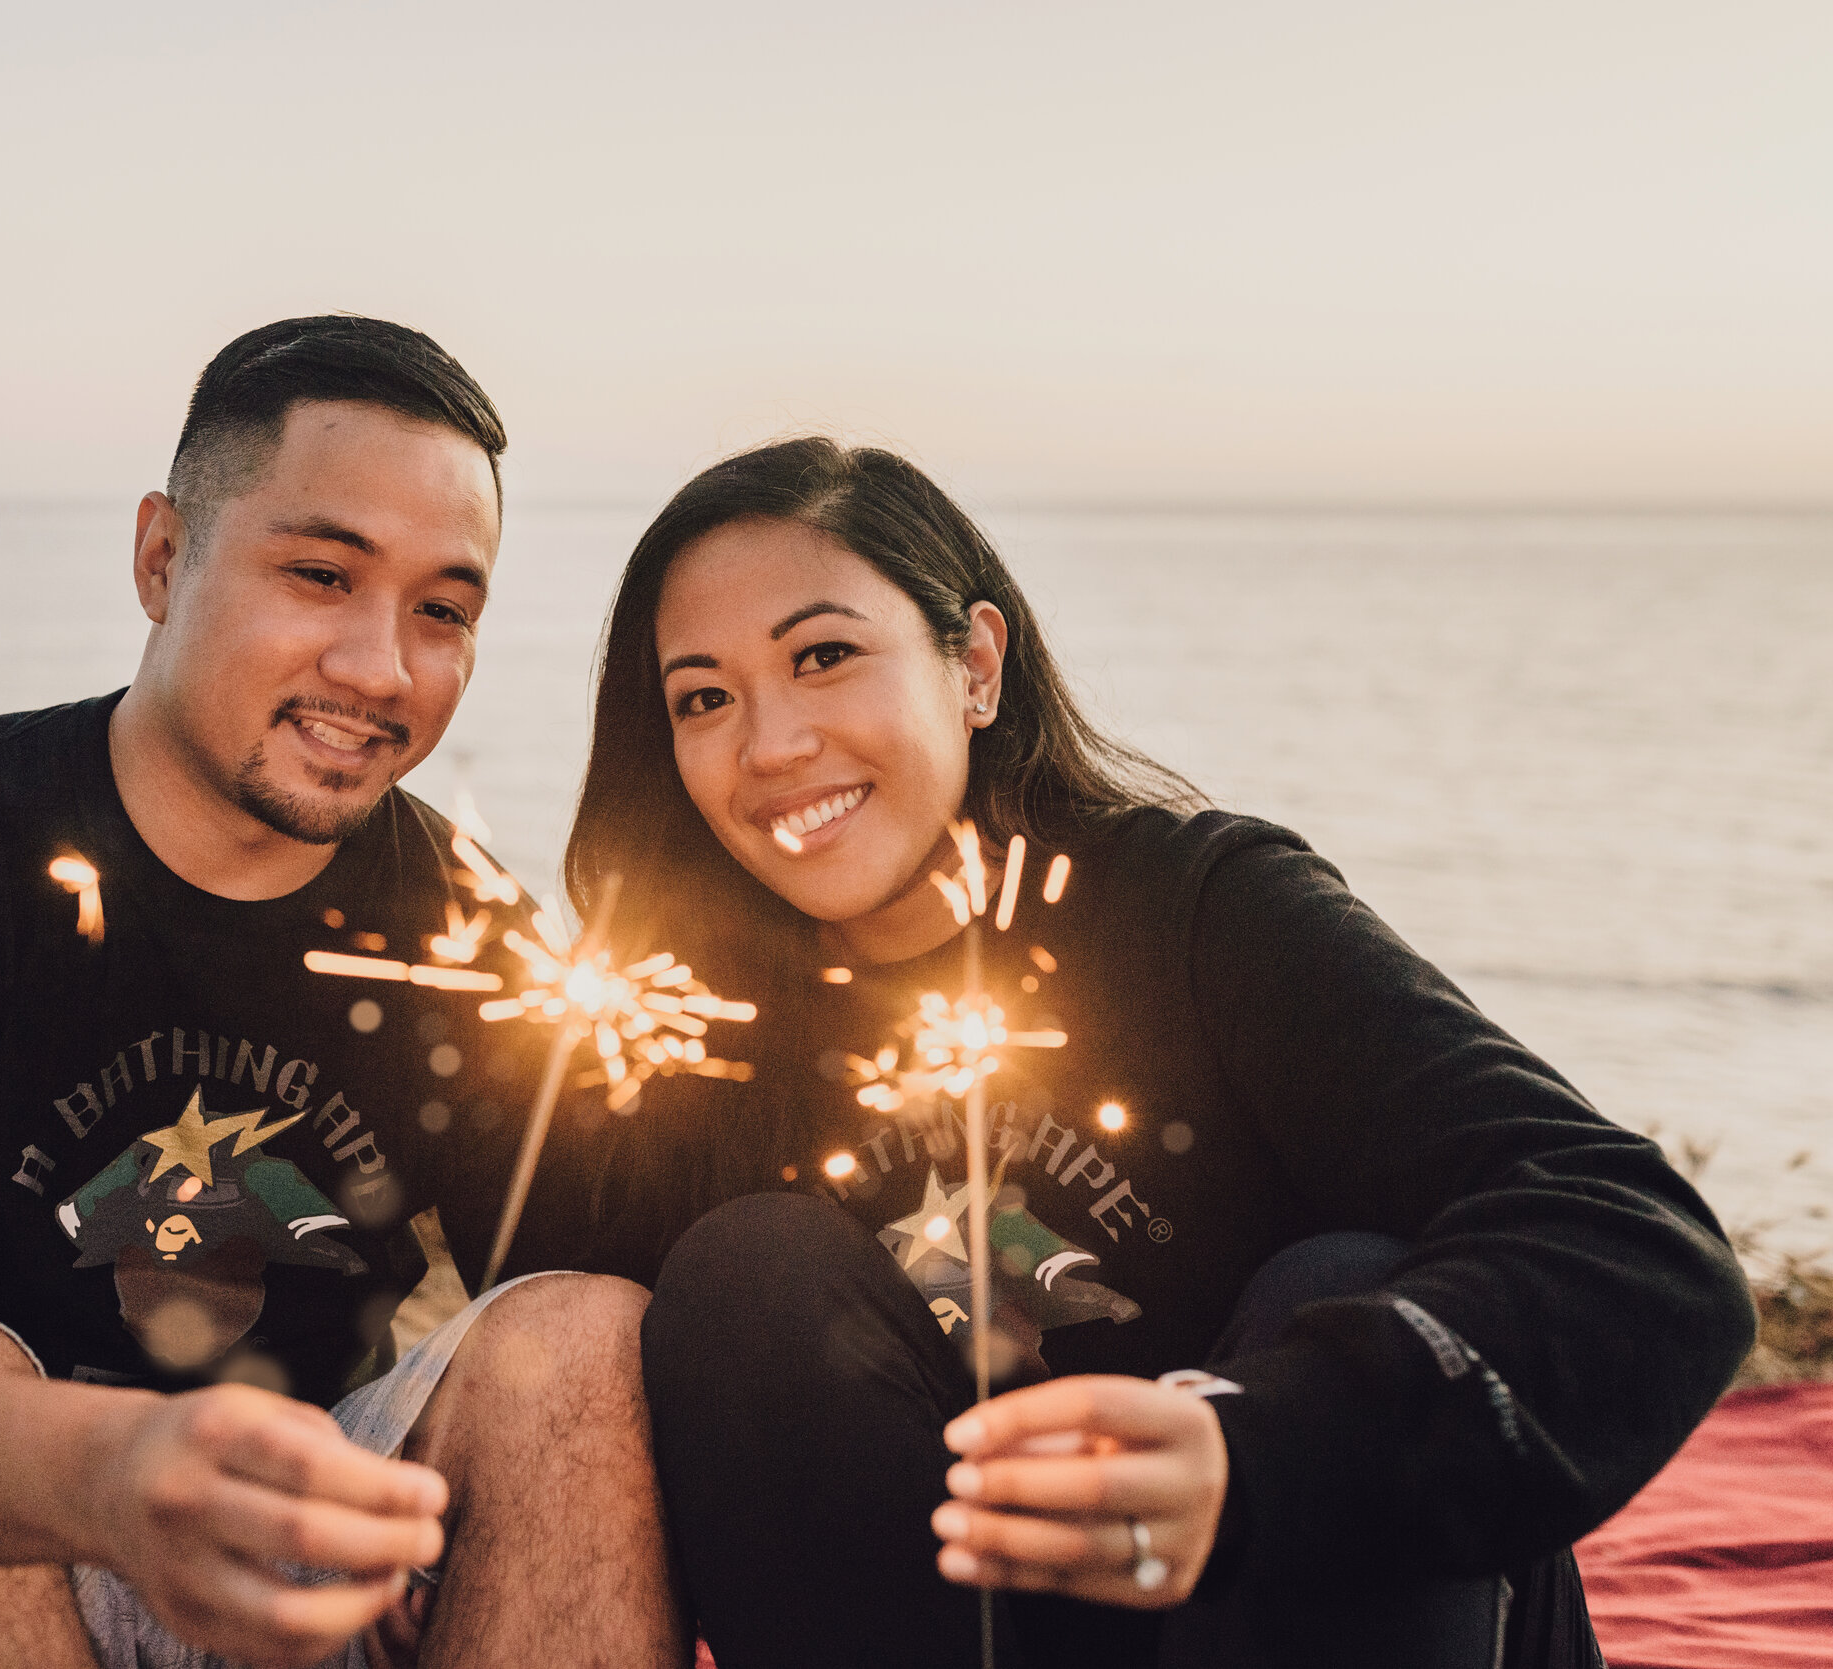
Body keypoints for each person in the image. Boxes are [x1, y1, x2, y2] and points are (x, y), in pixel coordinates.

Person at [558, 437, 1755, 1667]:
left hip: (1312, 1603)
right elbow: (567, 1353)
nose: (768, 745)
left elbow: (1642, 1247)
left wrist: (1259, 1452)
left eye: (823, 656)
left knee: (1337, 1275)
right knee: (745, 1268)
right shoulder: (696, 1023)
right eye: (703, 697)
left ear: (974, 664)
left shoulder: (1200, 911)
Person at [0, 317, 686, 1669]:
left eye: (444, 611)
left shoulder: (465, 930)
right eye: (320, 573)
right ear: (160, 556)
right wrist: (110, 1468)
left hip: (287, 1570)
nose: (381, 667)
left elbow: (590, 1341)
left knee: (589, 1337)